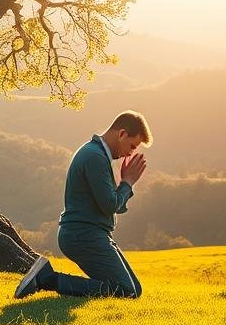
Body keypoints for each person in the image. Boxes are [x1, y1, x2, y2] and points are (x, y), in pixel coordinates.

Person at [14, 110, 152, 299]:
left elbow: (115, 205)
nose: (131, 152)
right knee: (126, 291)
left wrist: (124, 184)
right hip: (83, 235)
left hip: (91, 234)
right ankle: (47, 278)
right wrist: (127, 182)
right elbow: (110, 205)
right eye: (132, 145)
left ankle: (47, 277)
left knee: (134, 289)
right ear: (122, 134)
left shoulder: (98, 155)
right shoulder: (94, 156)